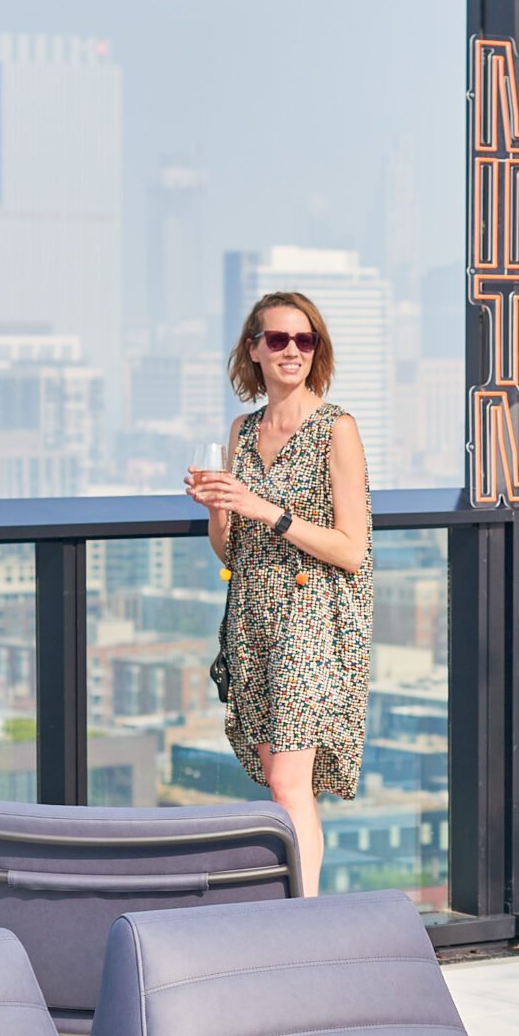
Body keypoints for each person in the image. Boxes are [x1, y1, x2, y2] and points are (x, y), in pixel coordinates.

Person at [187, 290, 373, 898]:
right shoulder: (242, 432)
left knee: (292, 784)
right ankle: (294, 908)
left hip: (311, 621)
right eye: (278, 339)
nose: (292, 350)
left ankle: (302, 919)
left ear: (316, 350)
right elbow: (230, 549)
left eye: (305, 339)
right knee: (279, 783)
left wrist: (266, 510)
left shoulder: (336, 429)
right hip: (251, 619)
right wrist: (220, 510)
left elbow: (352, 547)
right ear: (254, 350)